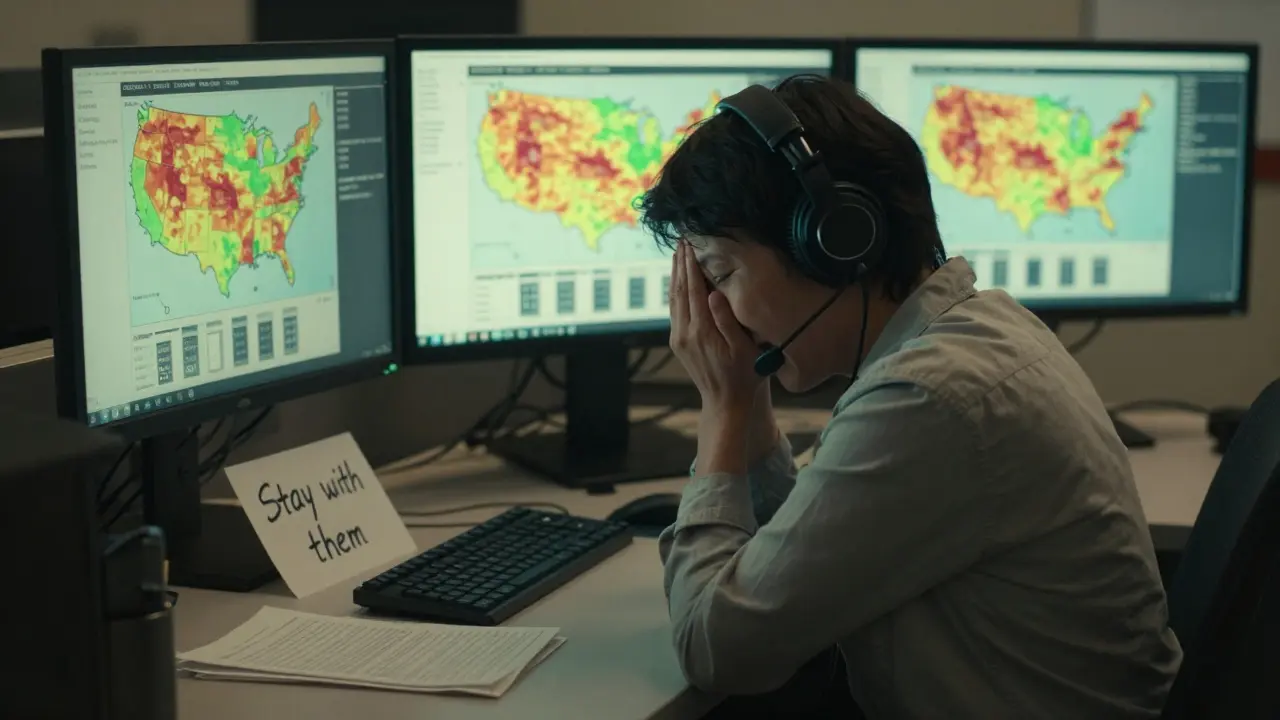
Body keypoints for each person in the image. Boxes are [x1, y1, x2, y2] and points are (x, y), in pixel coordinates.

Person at [636, 75, 1183, 719]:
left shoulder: (932, 400)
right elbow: (806, 557)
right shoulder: (977, 333)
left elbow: (720, 649)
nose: (711, 311)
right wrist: (748, 390)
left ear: (836, 240)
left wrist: (722, 412)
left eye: (721, 274)